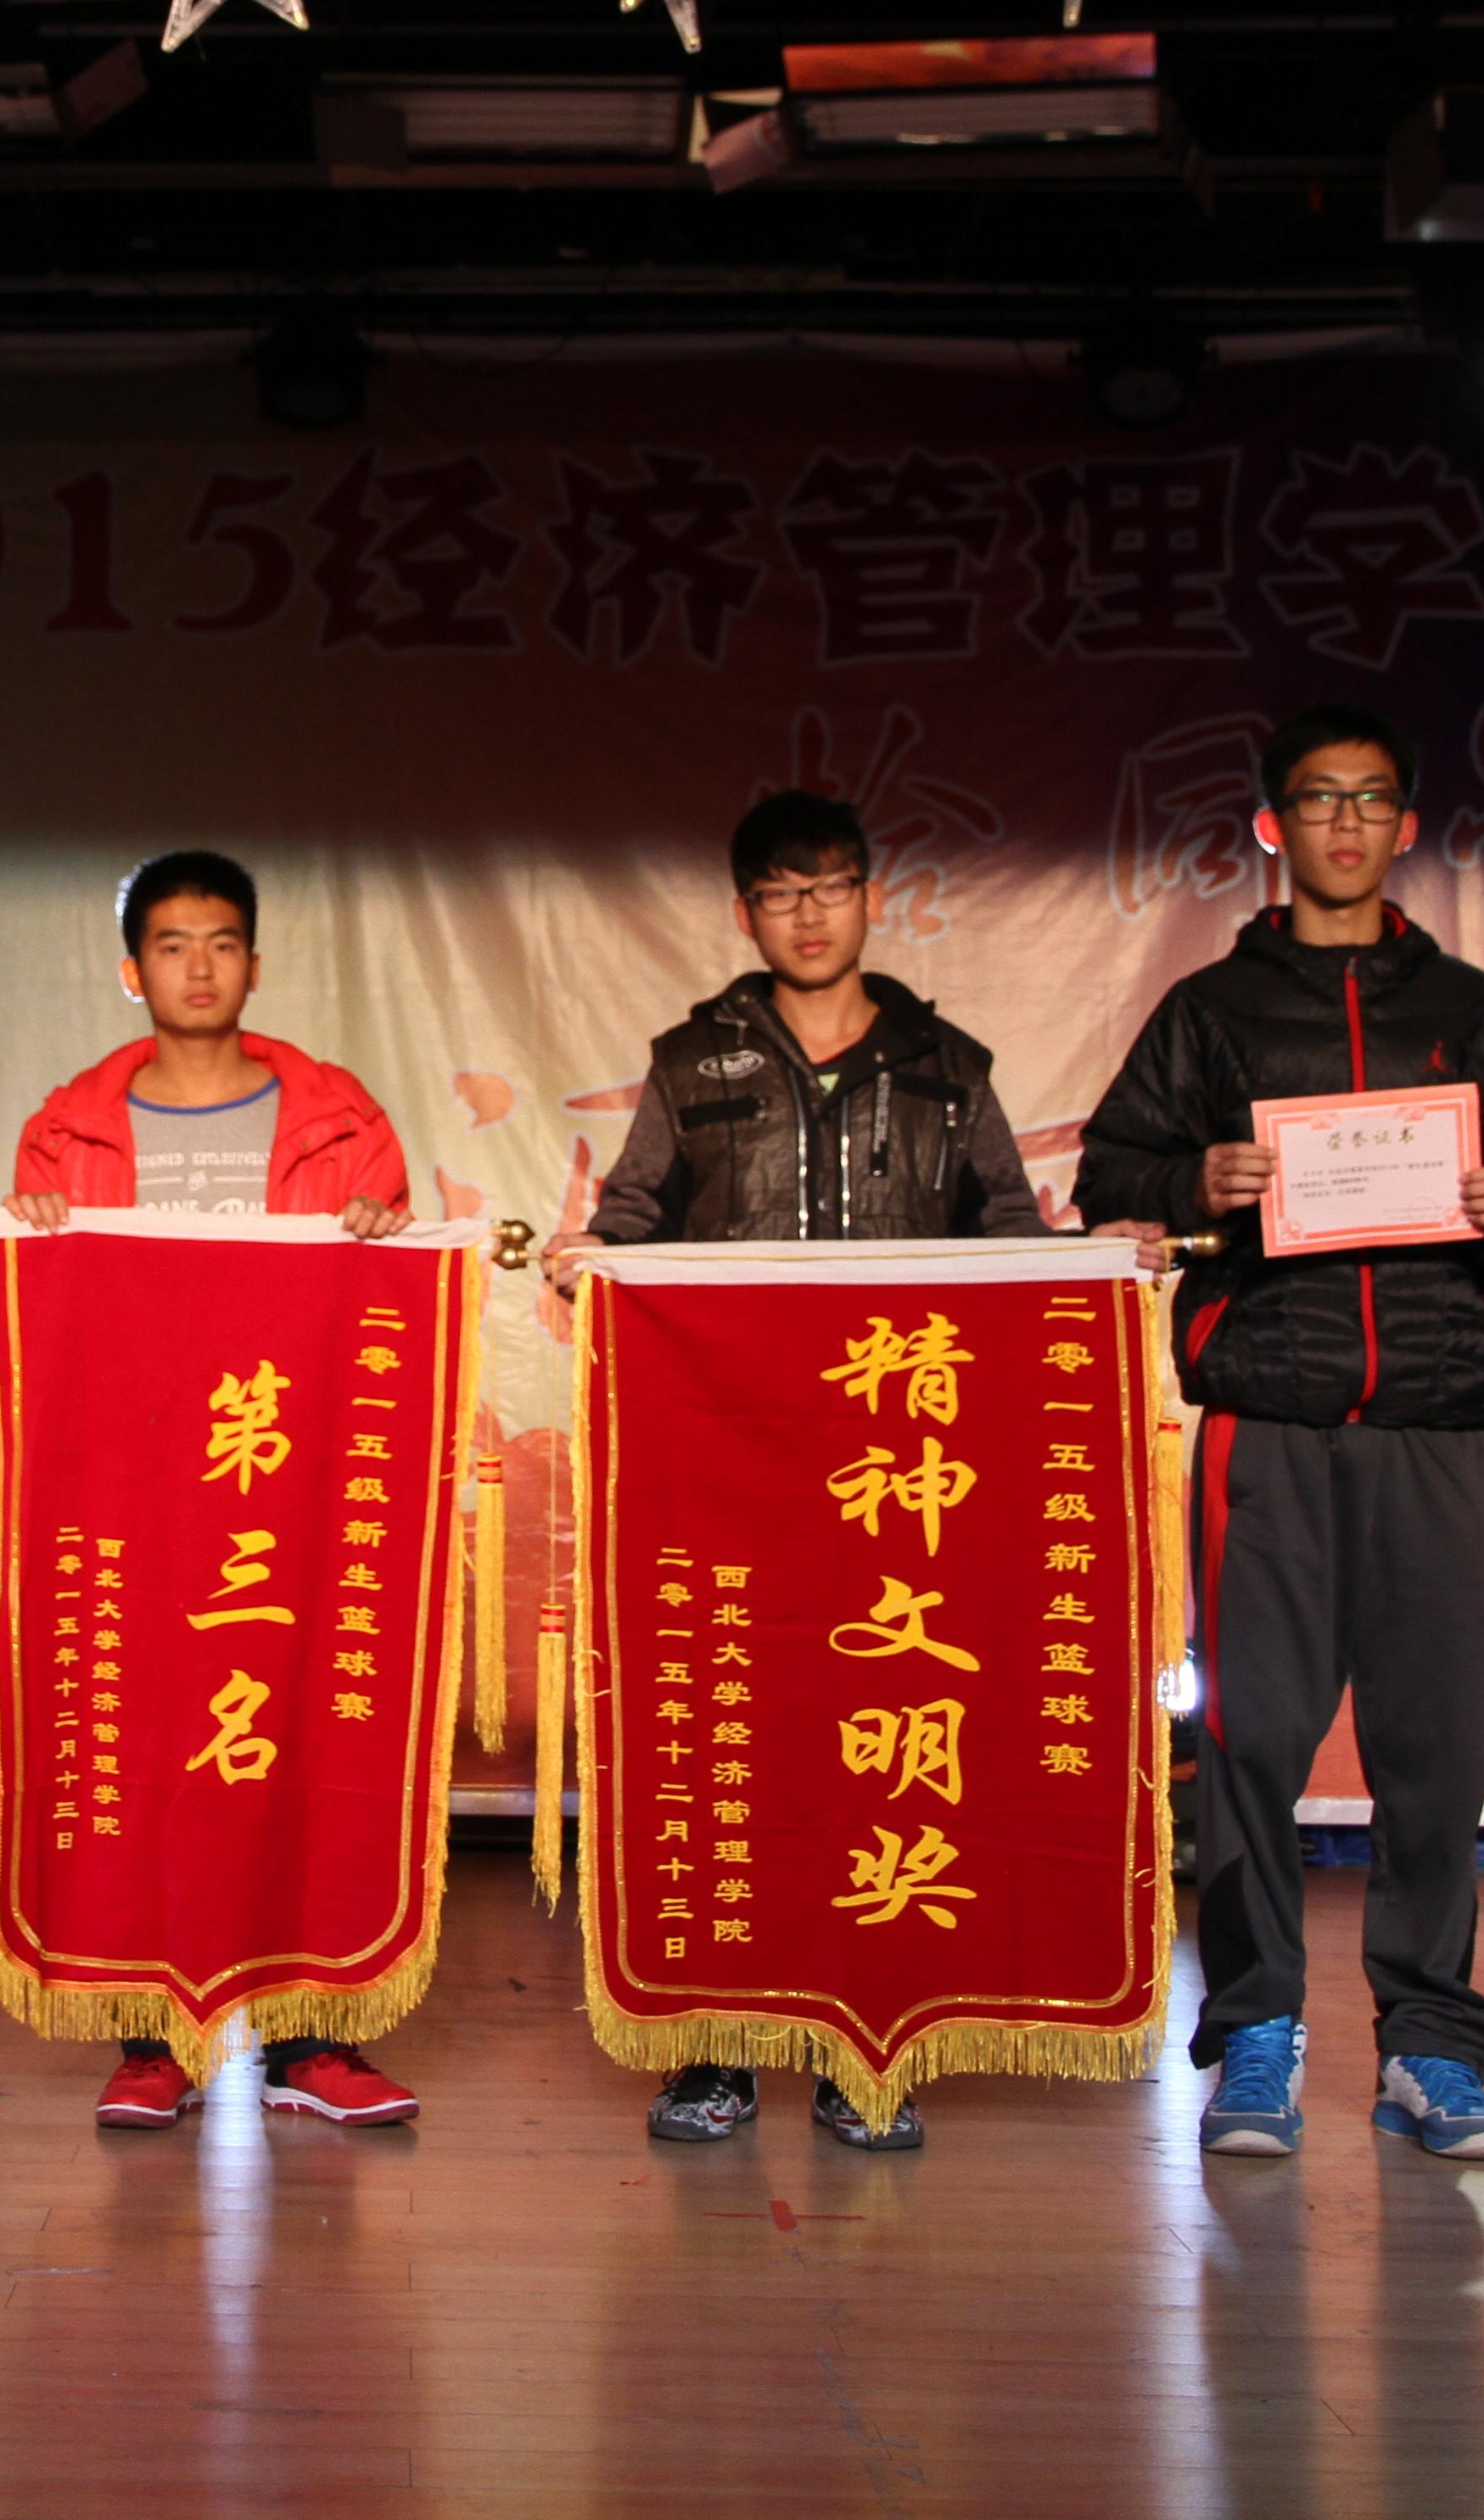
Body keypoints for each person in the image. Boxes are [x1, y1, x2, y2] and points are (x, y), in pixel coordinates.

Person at [546, 787, 1165, 2153]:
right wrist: (595, 1263)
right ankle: (714, 2046)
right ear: (746, 914)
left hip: (903, 1480)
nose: (810, 914)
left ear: (871, 897)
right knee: (735, 1742)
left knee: (880, 1757)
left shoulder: (945, 1063)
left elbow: (1010, 1243)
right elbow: (632, 1222)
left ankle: (860, 2045)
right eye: (782, 893)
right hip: (736, 1465)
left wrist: (1098, 1262)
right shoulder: (692, 1063)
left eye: (831, 887)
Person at [1077, 703, 1484, 2166]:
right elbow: (1111, 1178)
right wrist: (1198, 1181)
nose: (1345, 824)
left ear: (1404, 828)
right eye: (1318, 799)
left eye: (1370, 800)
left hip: (1435, 1423)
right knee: (1249, 1746)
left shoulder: (1471, 1008)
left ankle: (1433, 2044)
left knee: (1438, 1752)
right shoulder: (1212, 1011)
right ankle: (1256, 2031)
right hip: (1270, 1422)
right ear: (1273, 826)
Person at [4, 848, 423, 2132]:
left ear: (254, 962)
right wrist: (33, 1240)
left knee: (302, 1737)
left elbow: (381, 1317)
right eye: (173, 945)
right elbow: (52, 1332)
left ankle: (312, 2037)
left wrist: (382, 1238)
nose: (199, 966)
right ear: (133, 972)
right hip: (136, 1486)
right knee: (141, 1743)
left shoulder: (340, 1121)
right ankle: (154, 2036)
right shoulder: (68, 1130)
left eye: (223, 942)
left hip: (287, 1485)